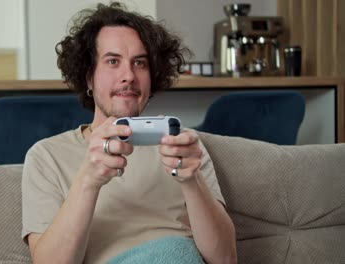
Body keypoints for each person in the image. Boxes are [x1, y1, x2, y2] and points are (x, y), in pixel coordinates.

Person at [22, 2, 237, 263]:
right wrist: (88, 180)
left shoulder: (185, 147)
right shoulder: (46, 156)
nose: (129, 76)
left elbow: (225, 260)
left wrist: (192, 181)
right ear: (89, 77)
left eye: (140, 63)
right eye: (113, 61)